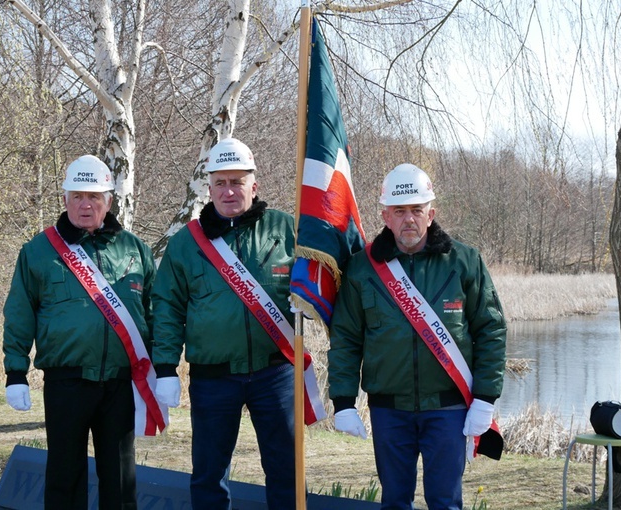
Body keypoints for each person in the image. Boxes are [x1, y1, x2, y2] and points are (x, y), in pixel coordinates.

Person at [327, 163, 507, 510]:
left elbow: (491, 329)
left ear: (431, 213)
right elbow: (346, 338)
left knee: (445, 501)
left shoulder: (465, 261)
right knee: (394, 501)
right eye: (399, 211)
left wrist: (485, 397)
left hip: (449, 409)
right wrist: (343, 402)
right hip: (388, 410)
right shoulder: (362, 268)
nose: (408, 219)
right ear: (385, 216)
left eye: (416, 210)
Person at [2, 154, 156, 509]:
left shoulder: (134, 250)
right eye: (78, 197)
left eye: (94, 198)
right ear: (65, 199)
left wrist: (162, 369)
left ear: (109, 201)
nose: (85, 205)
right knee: (64, 477)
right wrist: (15, 372)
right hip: (66, 381)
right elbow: (20, 314)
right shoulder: (38, 251)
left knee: (119, 479)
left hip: (120, 382)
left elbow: (154, 313)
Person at [151, 137, 297, 509]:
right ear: (210, 187)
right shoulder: (187, 242)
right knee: (209, 476)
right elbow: (167, 306)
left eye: (237, 181)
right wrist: (165, 367)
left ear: (254, 185)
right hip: (213, 377)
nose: (229, 191)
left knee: (286, 472)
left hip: (275, 372)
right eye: (220, 182)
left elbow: (323, 281)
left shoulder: (287, 229)